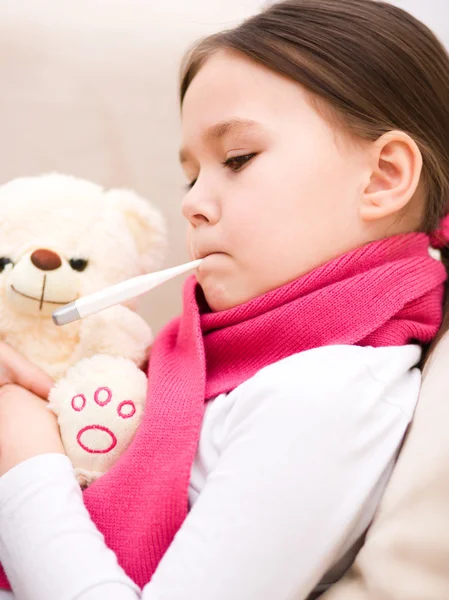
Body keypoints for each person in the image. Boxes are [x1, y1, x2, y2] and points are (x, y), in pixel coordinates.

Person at [0, 0, 448, 598]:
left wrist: (23, 464)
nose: (191, 202)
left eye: (237, 158)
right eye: (191, 174)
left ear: (383, 176)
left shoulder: (327, 393)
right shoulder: (214, 361)